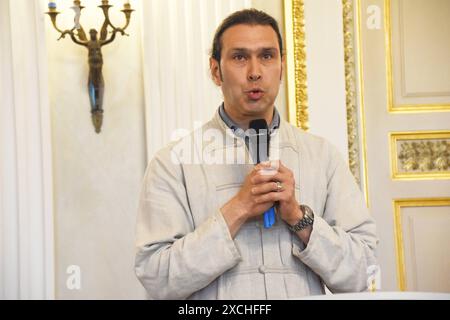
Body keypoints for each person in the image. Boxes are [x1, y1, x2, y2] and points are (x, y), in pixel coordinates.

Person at [134, 8, 378, 299]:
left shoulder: (322, 156)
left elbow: (364, 273)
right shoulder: (173, 163)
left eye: (267, 56)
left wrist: (299, 218)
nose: (255, 71)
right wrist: (239, 207)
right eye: (239, 57)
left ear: (282, 67)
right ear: (215, 71)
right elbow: (157, 278)